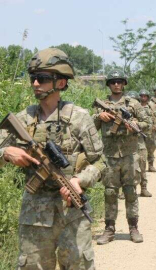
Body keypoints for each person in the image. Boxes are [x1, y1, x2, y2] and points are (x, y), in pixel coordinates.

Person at [0, 48, 105, 269]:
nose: (36, 83)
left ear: (60, 82)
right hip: (34, 215)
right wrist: (6, 153)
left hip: (72, 213)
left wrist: (79, 181)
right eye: (33, 78)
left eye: (43, 78)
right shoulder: (23, 119)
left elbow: (101, 162)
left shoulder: (79, 118)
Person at [94, 70, 149, 245]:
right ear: (109, 85)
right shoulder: (102, 104)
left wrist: (134, 126)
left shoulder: (133, 104)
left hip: (130, 155)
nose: (116, 84)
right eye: (113, 82)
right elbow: (91, 126)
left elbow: (147, 123)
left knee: (131, 191)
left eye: (119, 81)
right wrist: (99, 116)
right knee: (110, 192)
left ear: (124, 83)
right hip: (109, 155)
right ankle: (109, 229)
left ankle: (133, 228)